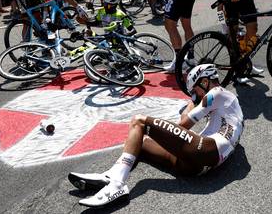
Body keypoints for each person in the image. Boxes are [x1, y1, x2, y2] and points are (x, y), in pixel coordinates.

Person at [68, 64, 244, 208]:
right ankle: (111, 176)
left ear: (205, 82)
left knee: (139, 122)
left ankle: (117, 184)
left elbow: (183, 125)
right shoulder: (233, 110)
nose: (196, 96)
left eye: (195, 90)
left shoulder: (217, 92)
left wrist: (192, 103)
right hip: (196, 167)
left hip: (204, 151)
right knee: (141, 143)